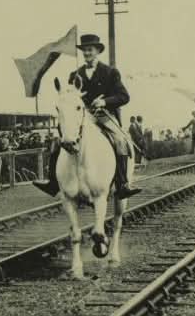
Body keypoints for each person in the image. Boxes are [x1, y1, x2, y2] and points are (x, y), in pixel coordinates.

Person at [33, 33, 141, 199]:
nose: (87, 54)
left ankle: (122, 184)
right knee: (58, 141)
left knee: (120, 140)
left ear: (97, 51)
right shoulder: (75, 74)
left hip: (104, 116)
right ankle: (53, 182)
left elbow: (124, 96)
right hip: (83, 117)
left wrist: (104, 101)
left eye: (90, 50)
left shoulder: (110, 72)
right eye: (84, 51)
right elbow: (70, 98)